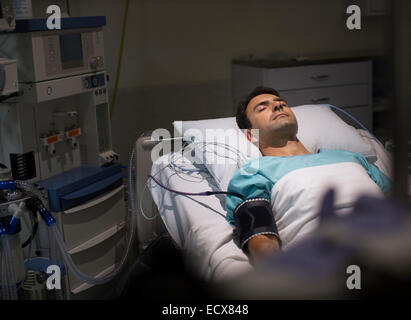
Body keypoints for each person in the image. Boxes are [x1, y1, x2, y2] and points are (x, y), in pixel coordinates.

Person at [226, 86, 392, 263]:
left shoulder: (351, 157)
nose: (278, 106)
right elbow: (262, 241)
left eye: (281, 103)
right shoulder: (253, 173)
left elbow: (399, 202)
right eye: (262, 108)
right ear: (251, 136)